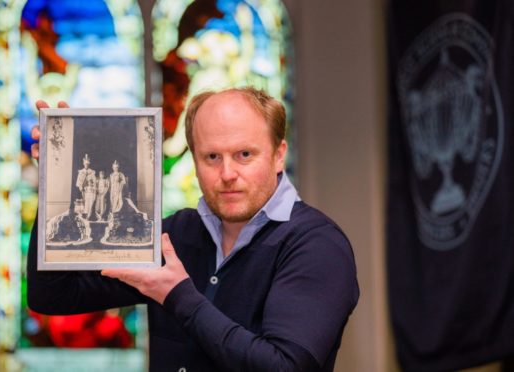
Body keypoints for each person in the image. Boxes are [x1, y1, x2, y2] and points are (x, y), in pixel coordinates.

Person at [29, 87, 359, 371]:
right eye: (212, 156)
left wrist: (179, 297)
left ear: (278, 156)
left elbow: (284, 366)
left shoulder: (317, 245)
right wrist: (57, 181)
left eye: (244, 154)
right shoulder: (178, 233)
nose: (227, 173)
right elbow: (53, 295)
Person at [75, 153, 97, 219]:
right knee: (83, 202)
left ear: (89, 164)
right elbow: (79, 181)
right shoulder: (81, 172)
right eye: (85, 164)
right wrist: (81, 187)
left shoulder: (92, 172)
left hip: (89, 190)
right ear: (83, 164)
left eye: (87, 164)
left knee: (89, 202)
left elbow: (95, 181)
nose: (86, 165)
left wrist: (92, 185)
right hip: (83, 189)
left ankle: (89, 215)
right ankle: (82, 215)